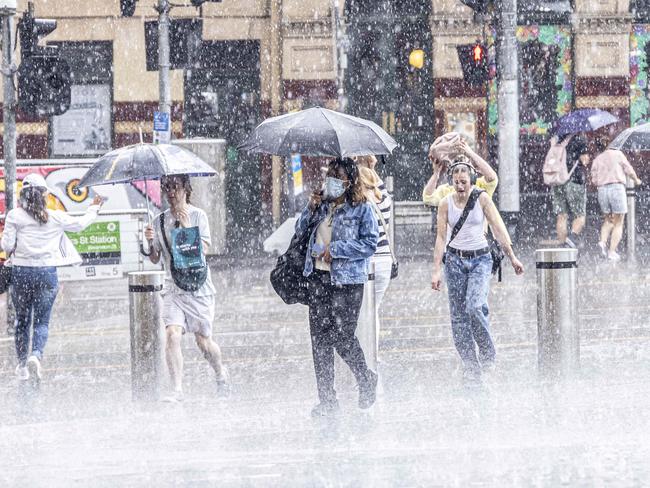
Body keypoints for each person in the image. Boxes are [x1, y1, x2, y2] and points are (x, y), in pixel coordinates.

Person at [295, 157, 379, 417]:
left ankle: (365, 377)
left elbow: (370, 243)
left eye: (337, 177)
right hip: (318, 278)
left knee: (342, 336)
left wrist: (337, 250)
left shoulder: (363, 209)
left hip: (347, 281)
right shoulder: (321, 206)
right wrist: (310, 209)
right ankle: (327, 400)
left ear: (349, 181)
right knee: (319, 341)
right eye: (329, 175)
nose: (331, 181)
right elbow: (300, 233)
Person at [1, 173, 103, 381]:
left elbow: (6, 246)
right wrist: (94, 208)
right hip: (46, 274)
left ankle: (22, 365)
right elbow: (80, 224)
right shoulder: (55, 216)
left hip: (21, 272)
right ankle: (36, 356)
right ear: (44, 195)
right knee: (41, 322)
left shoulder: (14, 216)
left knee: (22, 320)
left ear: (23, 196)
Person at [431, 162, 524, 385]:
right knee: (458, 317)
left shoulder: (481, 199)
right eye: (456, 182)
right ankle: (470, 365)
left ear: (471, 180)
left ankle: (487, 353)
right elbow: (441, 238)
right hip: (454, 261)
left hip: (480, 259)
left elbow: (498, 228)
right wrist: (436, 271)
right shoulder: (445, 203)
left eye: (464, 182)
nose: (460, 186)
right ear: (451, 182)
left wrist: (511, 257)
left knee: (474, 306)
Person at [144, 174, 229, 401]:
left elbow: (203, 250)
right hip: (173, 286)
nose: (171, 192)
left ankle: (220, 373)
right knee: (172, 334)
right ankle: (177, 389)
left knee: (203, 342)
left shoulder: (198, 215)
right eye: (167, 188)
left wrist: (187, 227)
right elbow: (155, 258)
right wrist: (148, 242)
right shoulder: (159, 220)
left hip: (197, 285)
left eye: (176, 187)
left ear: (186, 189)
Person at [357, 165, 394, 372]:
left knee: (366, 311)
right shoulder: (385, 200)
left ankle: (368, 351)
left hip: (369, 262)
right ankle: (374, 353)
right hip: (385, 262)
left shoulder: (363, 205)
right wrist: (371, 167)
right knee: (374, 308)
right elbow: (379, 184)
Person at [591, 140, 642, 261]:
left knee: (608, 220)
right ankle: (612, 252)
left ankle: (602, 243)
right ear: (609, 144)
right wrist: (636, 180)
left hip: (602, 190)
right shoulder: (618, 154)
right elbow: (629, 170)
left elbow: (594, 180)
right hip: (617, 189)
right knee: (619, 222)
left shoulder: (597, 159)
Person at [423, 134, 498, 207]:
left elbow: (492, 178)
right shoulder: (446, 190)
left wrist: (470, 153)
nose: (460, 186)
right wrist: (436, 173)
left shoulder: (479, 186)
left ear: (471, 176)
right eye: (456, 170)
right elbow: (427, 198)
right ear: (451, 177)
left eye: (463, 170)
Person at [551, 132, 590, 248]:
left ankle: (562, 247)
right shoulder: (580, 139)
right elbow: (584, 161)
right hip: (574, 180)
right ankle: (571, 239)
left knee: (561, 216)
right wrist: (584, 156)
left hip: (558, 181)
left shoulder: (557, 139)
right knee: (580, 216)